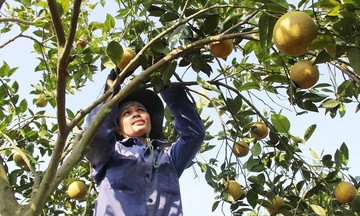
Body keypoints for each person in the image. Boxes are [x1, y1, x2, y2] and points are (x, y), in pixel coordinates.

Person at [84, 67, 206, 216]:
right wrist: (112, 85)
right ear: (118, 129)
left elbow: (194, 133)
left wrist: (164, 79)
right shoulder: (110, 153)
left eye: (141, 110)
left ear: (150, 122)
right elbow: (95, 135)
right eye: (127, 113)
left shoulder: (169, 158)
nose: (135, 114)